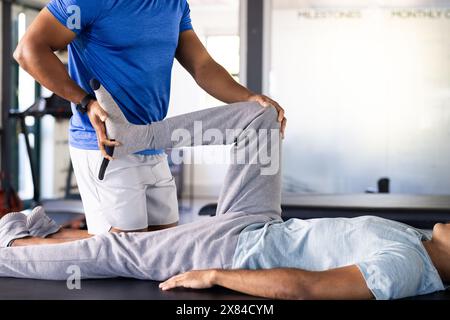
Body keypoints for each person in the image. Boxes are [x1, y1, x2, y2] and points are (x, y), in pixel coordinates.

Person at [0, 87, 447, 300]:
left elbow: (306, 288)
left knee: (117, 250)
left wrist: (216, 275)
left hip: (238, 250)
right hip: (262, 221)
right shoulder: (418, 239)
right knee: (262, 118)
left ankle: (7, 251)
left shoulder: (408, 265)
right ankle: (135, 137)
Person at [13, 0, 287, 236]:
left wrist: (248, 98)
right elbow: (28, 50)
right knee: (126, 257)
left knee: (161, 251)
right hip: (108, 147)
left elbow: (202, 65)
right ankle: (20, 242)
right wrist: (86, 102)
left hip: (153, 143)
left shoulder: (174, 4)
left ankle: (40, 235)